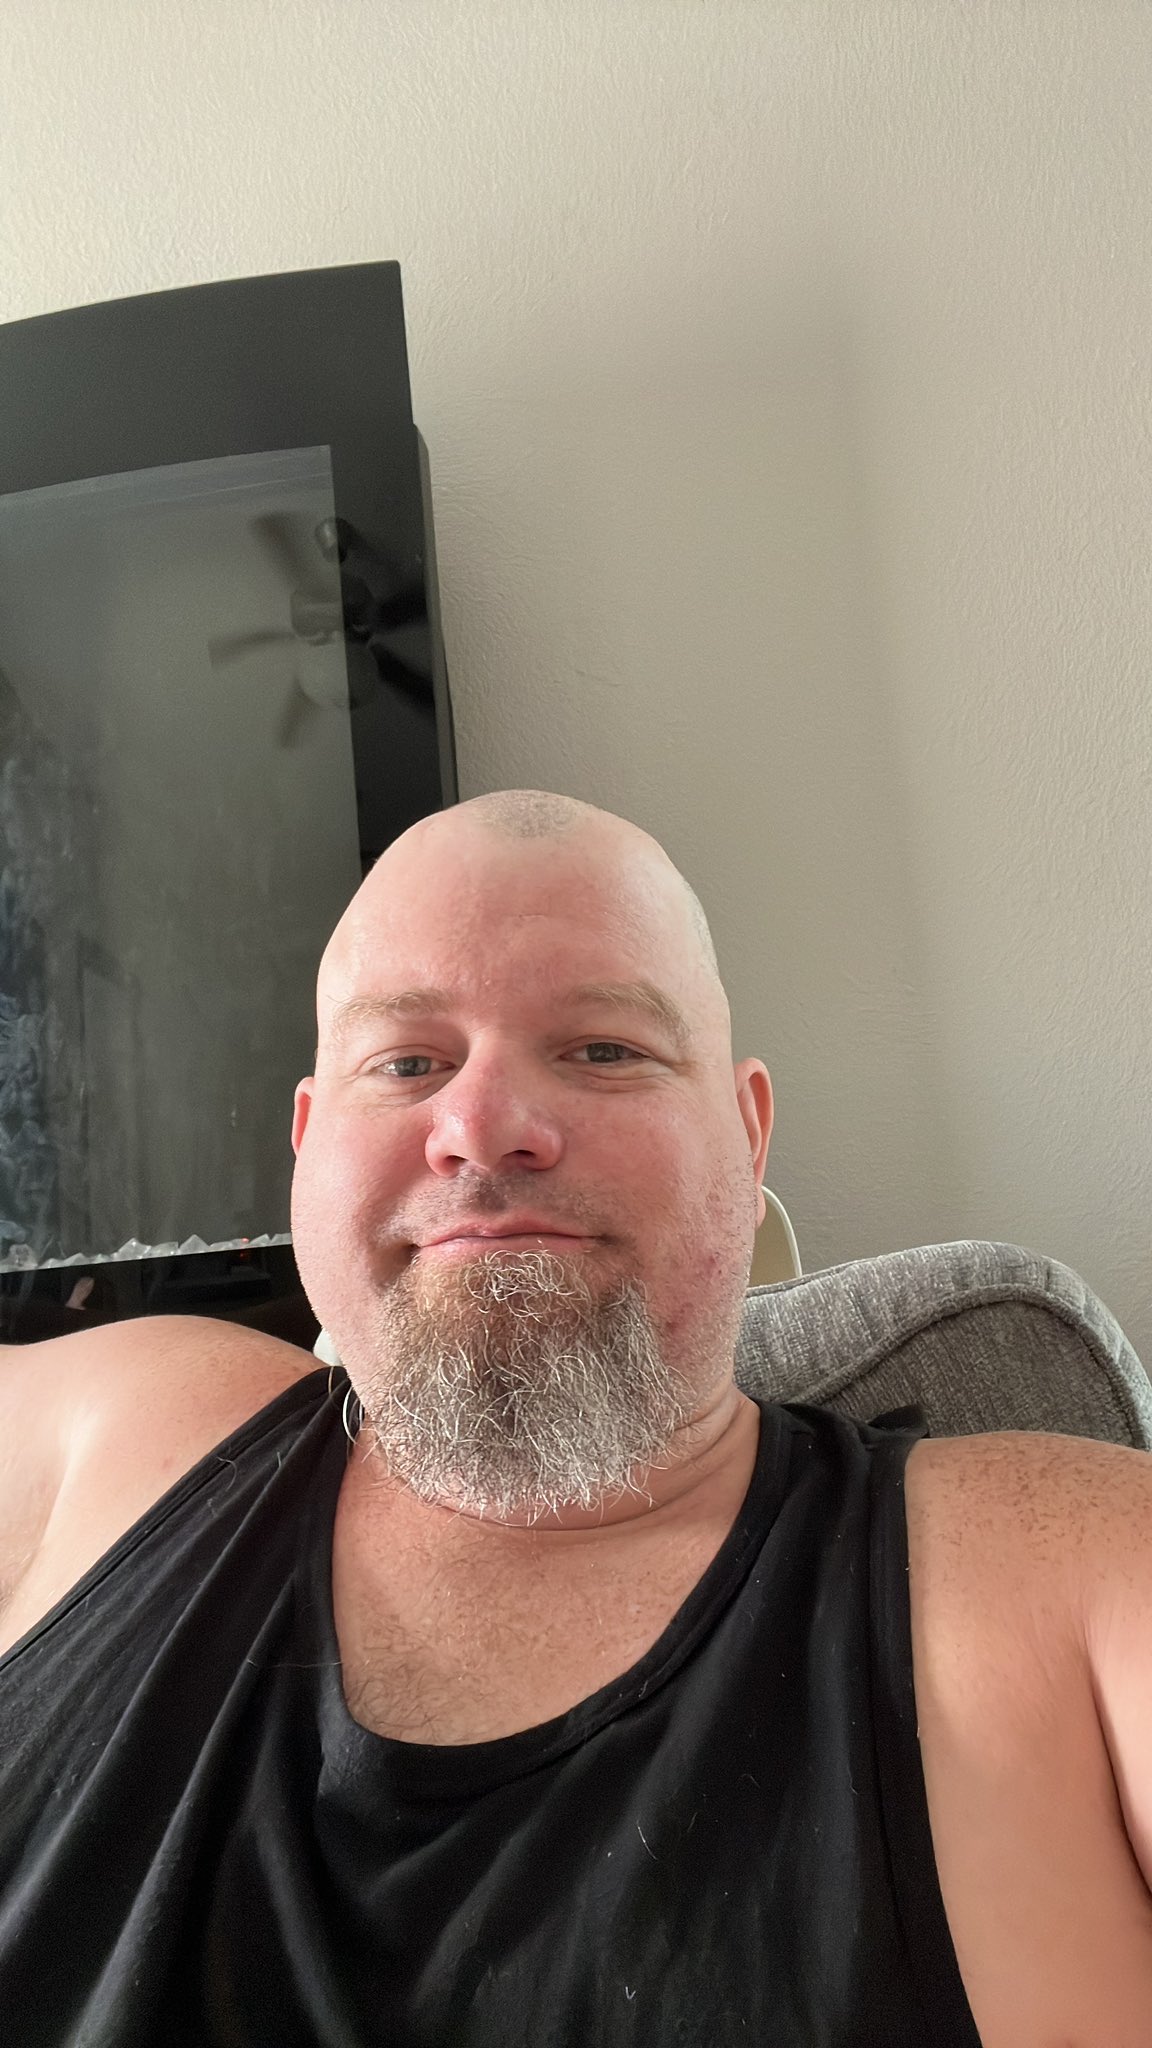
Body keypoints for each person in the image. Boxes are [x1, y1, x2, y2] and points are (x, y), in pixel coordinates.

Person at [0, 788, 1148, 2047]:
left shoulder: (1069, 1571)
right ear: (309, 1140)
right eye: (409, 1062)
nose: (484, 1125)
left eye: (604, 1048)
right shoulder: (120, 1431)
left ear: (748, 1133)